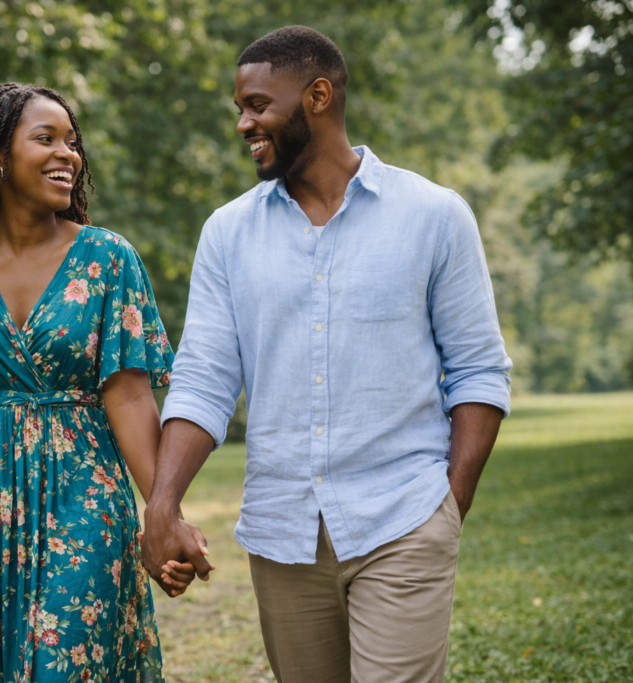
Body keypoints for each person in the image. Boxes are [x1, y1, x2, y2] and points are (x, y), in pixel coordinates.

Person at [140, 26, 513, 683]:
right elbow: (202, 380)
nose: (243, 124)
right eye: (240, 109)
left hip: (404, 519)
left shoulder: (434, 215)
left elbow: (479, 370)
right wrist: (162, 504)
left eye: (257, 105)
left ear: (317, 96)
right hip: (281, 533)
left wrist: (448, 505)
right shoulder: (227, 233)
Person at [0, 82, 204, 682]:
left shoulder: (109, 259)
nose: (67, 155)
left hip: (85, 492)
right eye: (46, 139)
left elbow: (130, 396)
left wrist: (165, 515)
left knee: (67, 660)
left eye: (72, 142)